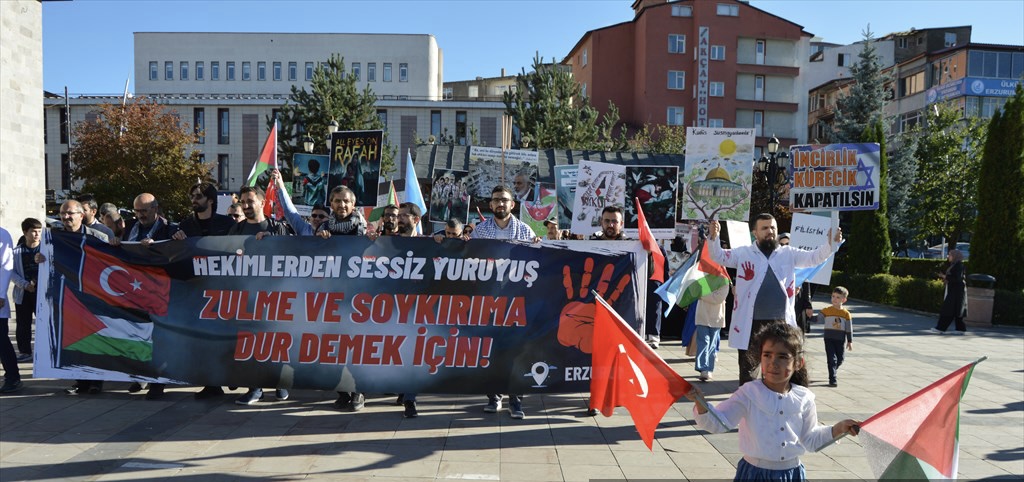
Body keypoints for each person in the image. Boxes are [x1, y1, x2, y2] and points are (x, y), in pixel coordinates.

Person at [685, 323, 860, 480]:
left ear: (798, 362)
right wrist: (700, 403)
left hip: (792, 474)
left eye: (783, 357)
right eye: (767, 355)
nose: (773, 363)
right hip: (754, 474)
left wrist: (838, 429)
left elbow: (810, 439)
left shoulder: (804, 397)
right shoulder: (749, 393)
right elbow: (720, 423)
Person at [707, 213, 841, 385]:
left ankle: (779, 400)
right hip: (751, 323)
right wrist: (714, 236)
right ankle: (750, 401)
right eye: (765, 228)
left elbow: (814, 258)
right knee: (748, 369)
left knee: (781, 366)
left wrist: (830, 243)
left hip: (780, 323)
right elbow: (718, 256)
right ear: (755, 232)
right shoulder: (744, 253)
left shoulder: (788, 253)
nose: (770, 231)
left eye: (773, 228)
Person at [470, 185, 539, 419]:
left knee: (515, 352)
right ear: (490, 205)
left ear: (513, 204)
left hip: (517, 301)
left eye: (505, 200)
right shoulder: (479, 232)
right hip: (489, 301)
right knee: (492, 349)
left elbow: (536, 261)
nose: (500, 203)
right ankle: (494, 396)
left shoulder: (525, 231)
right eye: (496, 199)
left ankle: (516, 401)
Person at [229, 186, 291, 405]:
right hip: (246, 296)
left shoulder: (278, 227)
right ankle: (254, 388)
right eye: (243, 202)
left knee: (276, 341)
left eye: (250, 201)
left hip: (276, 296)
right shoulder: (235, 230)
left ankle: (280, 382)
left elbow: (293, 255)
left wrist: (272, 242)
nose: (246, 205)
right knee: (249, 342)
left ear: (262, 202)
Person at [39, 201, 109, 395]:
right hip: (67, 295)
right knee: (73, 338)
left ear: (81, 215)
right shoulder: (54, 237)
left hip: (92, 294)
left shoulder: (99, 237)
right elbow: (44, 257)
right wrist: (39, 258)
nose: (66, 217)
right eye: (63, 214)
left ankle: (96, 380)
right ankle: (81, 379)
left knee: (94, 338)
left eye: (70, 213)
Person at [10, 219, 43, 362]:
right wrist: (24, 284)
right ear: (25, 232)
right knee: (23, 324)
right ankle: (25, 351)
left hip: (42, 293)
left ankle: (44, 351)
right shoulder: (16, 252)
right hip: (23, 293)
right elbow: (11, 272)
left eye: (39, 231)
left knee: (43, 323)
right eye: (33, 231)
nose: (37, 234)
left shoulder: (46, 250)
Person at [270, 168, 329, 236]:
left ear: (328, 219)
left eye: (321, 216)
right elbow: (289, 211)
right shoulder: (304, 229)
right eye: (314, 215)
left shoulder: (334, 232)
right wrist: (280, 184)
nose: (317, 218)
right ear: (310, 218)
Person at [0, 226, 23, 394]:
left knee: (1, 340)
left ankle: (13, 377)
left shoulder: (2, 234)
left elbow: (6, 265)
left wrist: (1, 294)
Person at [694, 281, 731, 382]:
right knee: (703, 342)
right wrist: (704, 294)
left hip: (716, 317)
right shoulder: (702, 278)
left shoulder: (724, 281)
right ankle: (703, 369)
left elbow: (718, 299)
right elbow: (696, 292)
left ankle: (709, 369)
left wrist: (703, 295)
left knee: (712, 344)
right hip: (702, 315)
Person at [779, 233, 814, 334]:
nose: (784, 247)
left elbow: (806, 283)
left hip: (798, 300)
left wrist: (808, 305)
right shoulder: (775, 261)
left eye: (787, 244)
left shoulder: (798, 259)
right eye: (782, 244)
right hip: (783, 301)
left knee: (797, 330)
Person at [820, 286, 853, 387]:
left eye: (838, 297)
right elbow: (818, 319)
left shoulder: (846, 314)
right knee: (832, 359)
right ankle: (832, 379)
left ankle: (833, 369)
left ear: (844, 300)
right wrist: (808, 316)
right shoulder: (826, 310)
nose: (834, 299)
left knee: (840, 359)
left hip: (840, 339)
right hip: (828, 338)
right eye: (833, 296)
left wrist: (849, 341)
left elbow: (849, 328)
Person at [931, 249, 967, 335]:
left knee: (948, 309)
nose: (948, 256)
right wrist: (945, 277)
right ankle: (960, 329)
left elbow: (957, 279)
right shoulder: (955, 265)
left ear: (955, 256)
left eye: (950, 255)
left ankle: (941, 328)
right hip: (955, 290)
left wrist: (945, 276)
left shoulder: (959, 265)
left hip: (957, 291)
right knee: (956, 310)